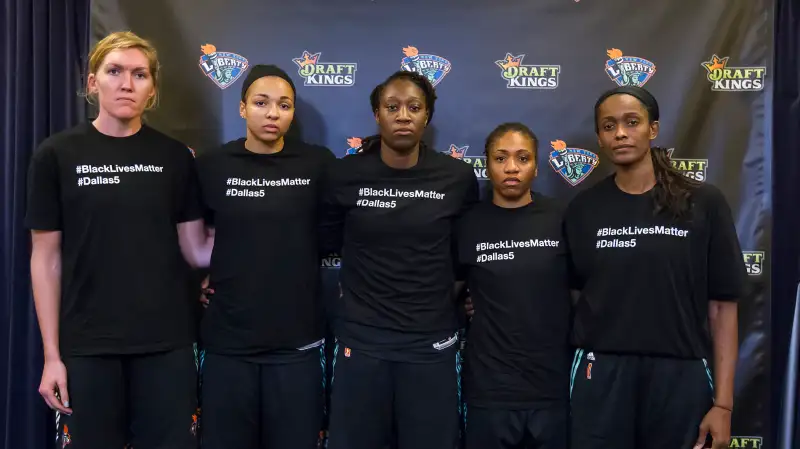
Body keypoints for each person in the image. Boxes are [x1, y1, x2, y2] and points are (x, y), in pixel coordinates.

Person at [25, 31, 212, 449]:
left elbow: (195, 248)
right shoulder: (56, 155)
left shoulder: (175, 157)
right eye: (114, 71)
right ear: (93, 82)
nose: (127, 83)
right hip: (88, 346)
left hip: (167, 344)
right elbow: (45, 260)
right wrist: (53, 356)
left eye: (139, 74)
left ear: (153, 89)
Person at [564, 86, 744, 449]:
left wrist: (723, 404)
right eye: (609, 126)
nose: (620, 133)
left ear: (653, 129)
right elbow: (571, 292)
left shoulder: (702, 202)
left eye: (632, 122)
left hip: (680, 375)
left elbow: (723, 307)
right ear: (599, 137)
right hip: (602, 374)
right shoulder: (584, 209)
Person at [321, 70, 479, 449]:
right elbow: (327, 242)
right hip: (363, 340)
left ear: (427, 115)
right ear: (377, 114)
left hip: (431, 343)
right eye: (392, 107)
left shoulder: (456, 178)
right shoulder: (345, 175)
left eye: (414, 107)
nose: (403, 115)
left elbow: (466, 255)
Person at [194, 64, 335, 449]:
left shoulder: (318, 165)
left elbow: (339, 232)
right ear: (242, 108)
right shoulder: (211, 166)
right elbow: (189, 238)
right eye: (261, 103)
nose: (273, 113)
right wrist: (194, 282)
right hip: (228, 343)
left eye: (284, 105)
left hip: (296, 343)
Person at [456, 123, 570, 449]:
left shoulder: (562, 217)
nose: (511, 168)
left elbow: (585, 290)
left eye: (522, 158)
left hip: (552, 386)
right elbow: (446, 290)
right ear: (487, 164)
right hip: (490, 390)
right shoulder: (467, 223)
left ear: (536, 165)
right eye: (500, 158)